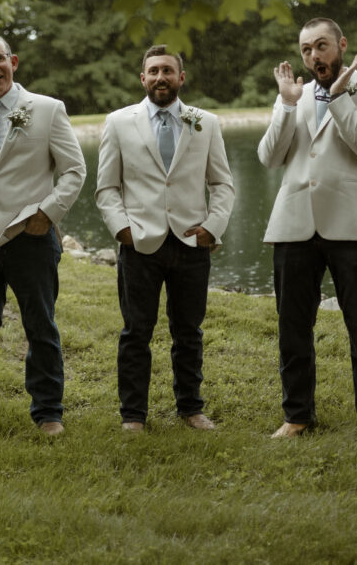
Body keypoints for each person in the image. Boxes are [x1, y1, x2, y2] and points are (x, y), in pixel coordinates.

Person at [257, 17, 357, 442]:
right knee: (292, 326)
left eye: (322, 46)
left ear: (341, 45)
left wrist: (338, 100)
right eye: (306, 50)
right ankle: (297, 416)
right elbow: (269, 157)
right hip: (294, 225)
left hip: (355, 226)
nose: (314, 56)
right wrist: (284, 105)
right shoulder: (292, 98)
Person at [0, 34, 86, 437]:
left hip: (30, 235)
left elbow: (74, 170)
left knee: (40, 327)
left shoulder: (46, 109)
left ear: (14, 61)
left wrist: (47, 214)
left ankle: (48, 413)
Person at [95, 44, 235, 432]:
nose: (160, 77)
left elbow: (222, 184)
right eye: (153, 71)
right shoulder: (119, 122)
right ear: (143, 78)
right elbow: (106, 187)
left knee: (188, 331)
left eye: (168, 71)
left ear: (181, 78)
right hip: (139, 244)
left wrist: (213, 226)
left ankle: (191, 408)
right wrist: (121, 228)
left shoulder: (205, 121)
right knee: (136, 331)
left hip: (192, 242)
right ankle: (133, 415)